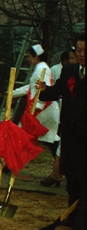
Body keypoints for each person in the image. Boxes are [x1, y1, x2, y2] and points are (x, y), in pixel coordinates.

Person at [37, 33, 85, 230]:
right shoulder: (68, 71)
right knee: (73, 182)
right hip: (71, 141)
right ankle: (73, 217)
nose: (82, 54)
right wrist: (43, 91)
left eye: (85, 50)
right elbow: (55, 94)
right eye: (79, 50)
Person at [12, 45, 58, 159]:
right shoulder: (41, 67)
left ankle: (11, 163)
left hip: (42, 110)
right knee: (49, 139)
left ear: (35, 56)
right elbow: (32, 87)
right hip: (40, 109)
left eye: (29, 56)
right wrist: (12, 93)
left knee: (23, 135)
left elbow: (44, 89)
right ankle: (10, 163)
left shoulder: (42, 69)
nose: (28, 59)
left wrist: (38, 106)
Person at [40, 49, 75, 187]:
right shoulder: (67, 72)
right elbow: (56, 90)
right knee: (62, 148)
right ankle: (56, 175)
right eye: (71, 57)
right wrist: (45, 90)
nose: (73, 60)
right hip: (69, 120)